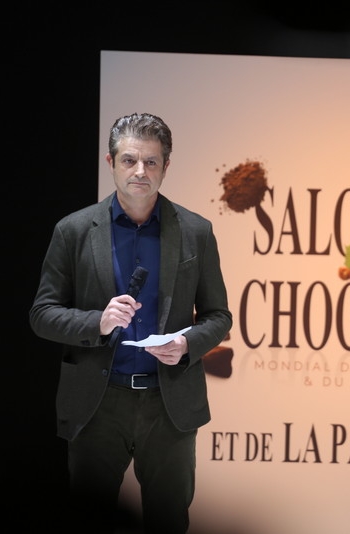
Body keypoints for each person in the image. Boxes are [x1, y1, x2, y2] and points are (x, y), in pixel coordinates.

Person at [29, 112, 233, 533]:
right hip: (98, 404)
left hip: (168, 404)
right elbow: (42, 314)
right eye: (129, 160)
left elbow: (219, 316)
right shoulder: (74, 230)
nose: (140, 171)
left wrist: (187, 346)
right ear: (111, 163)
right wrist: (98, 322)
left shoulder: (196, 231)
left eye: (151, 161)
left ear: (166, 167)